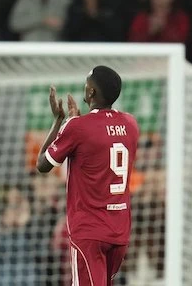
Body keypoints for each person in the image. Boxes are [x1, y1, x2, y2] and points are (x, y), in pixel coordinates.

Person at [36, 66, 139, 285]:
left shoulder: (77, 127)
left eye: (87, 84)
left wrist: (59, 121)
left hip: (90, 231)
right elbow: (98, 142)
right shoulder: (131, 124)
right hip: (119, 230)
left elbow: (42, 164)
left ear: (91, 92)